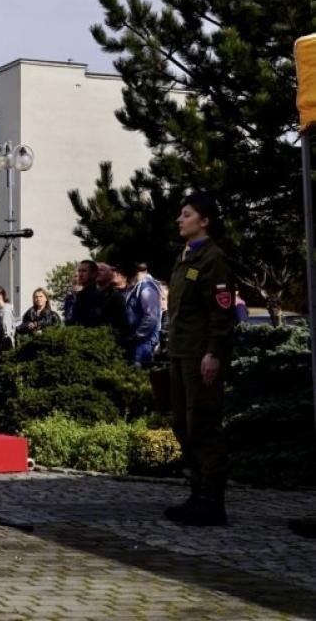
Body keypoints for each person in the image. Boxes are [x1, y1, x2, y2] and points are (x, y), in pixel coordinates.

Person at [164, 191, 235, 527]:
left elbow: (221, 312)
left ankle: (212, 501)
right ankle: (197, 493)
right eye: (181, 214)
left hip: (200, 355)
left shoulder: (213, 259)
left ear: (204, 221)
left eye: (187, 214)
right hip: (180, 352)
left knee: (203, 424)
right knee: (183, 424)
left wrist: (213, 353)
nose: (180, 219)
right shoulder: (185, 257)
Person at [124, 262, 163, 367]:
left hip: (144, 343)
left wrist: (137, 335)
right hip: (138, 342)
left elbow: (151, 317)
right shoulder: (138, 286)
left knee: (139, 373)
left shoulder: (146, 287)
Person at [94, 264, 131, 348]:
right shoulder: (92, 296)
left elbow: (122, 326)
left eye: (101, 270)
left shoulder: (116, 297)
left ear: (110, 275)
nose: (97, 272)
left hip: (108, 344)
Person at [67, 259, 101, 327]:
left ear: (93, 274)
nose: (80, 274)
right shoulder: (80, 295)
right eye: (79, 271)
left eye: (84, 271)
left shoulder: (97, 296)